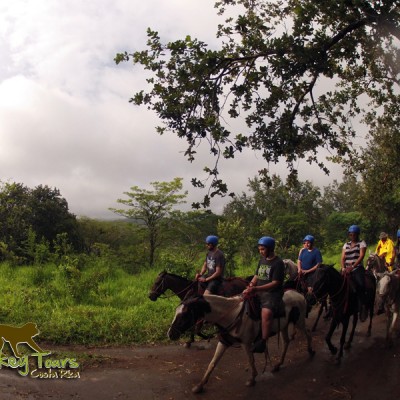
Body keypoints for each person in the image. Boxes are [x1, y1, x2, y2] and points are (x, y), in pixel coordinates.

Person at [243, 236, 285, 353]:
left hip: (272, 293)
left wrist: (256, 289)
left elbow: (275, 283)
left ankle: (263, 340)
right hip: (259, 290)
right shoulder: (262, 260)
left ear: (270, 249)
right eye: (260, 249)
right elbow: (256, 276)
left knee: (266, 313)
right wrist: (250, 286)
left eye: (263, 249)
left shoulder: (278, 263)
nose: (260, 252)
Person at [341, 225, 368, 322]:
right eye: (351, 234)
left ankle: (363, 306)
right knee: (336, 283)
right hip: (346, 268)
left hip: (357, 268)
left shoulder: (362, 243)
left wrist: (352, 267)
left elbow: (361, 256)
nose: (352, 236)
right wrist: (343, 267)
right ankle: (333, 306)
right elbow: (343, 258)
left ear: (357, 235)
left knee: (361, 285)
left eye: (354, 234)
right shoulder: (346, 244)